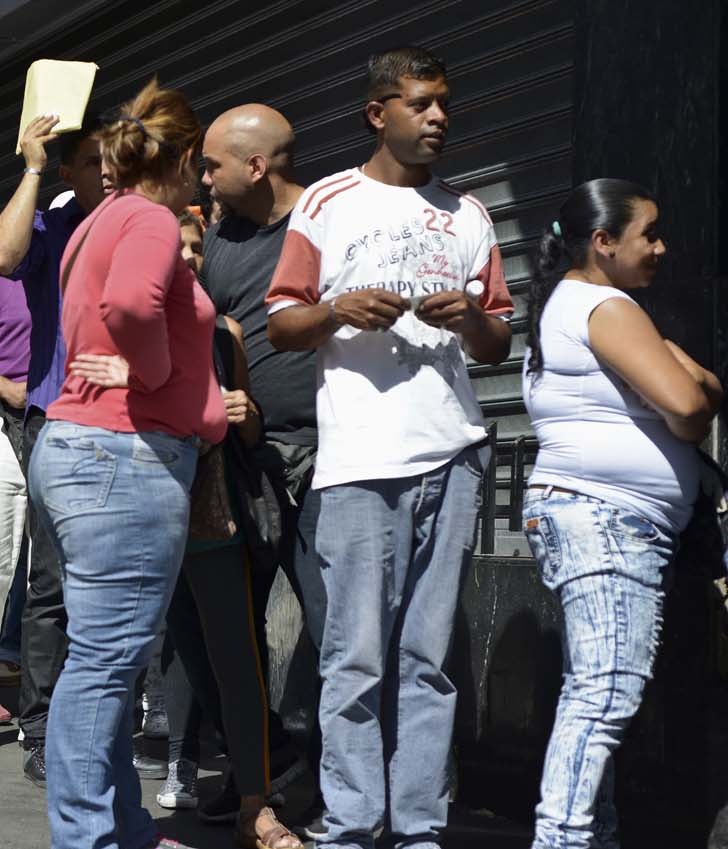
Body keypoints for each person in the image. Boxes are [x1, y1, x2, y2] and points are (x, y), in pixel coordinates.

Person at [266, 47, 515, 849]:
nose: (439, 117)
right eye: (421, 104)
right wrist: (339, 307)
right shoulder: (328, 203)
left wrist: (469, 318)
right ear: (379, 113)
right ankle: (350, 824)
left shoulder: (469, 214)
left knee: (427, 659)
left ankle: (417, 828)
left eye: (444, 103)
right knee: (356, 659)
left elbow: (497, 340)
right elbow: (281, 322)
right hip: (358, 464)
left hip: (452, 453)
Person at [25, 78, 226, 849]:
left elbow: (111, 314)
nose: (203, 178)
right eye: (199, 162)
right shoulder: (148, 218)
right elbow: (134, 309)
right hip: (121, 457)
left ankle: (124, 829)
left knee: (98, 658)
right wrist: (154, 376)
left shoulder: (99, 220)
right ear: (176, 156)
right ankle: (87, 837)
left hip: (82, 452)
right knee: (106, 666)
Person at [521, 180, 720, 848]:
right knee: (603, 695)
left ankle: (588, 835)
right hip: (606, 520)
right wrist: (685, 375)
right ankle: (565, 840)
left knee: (596, 692)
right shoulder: (606, 304)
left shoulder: (573, 304)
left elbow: (702, 389)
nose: (662, 247)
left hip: (596, 519)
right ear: (604, 243)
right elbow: (692, 409)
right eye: (650, 234)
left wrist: (687, 375)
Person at [0, 111, 107, 774]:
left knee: (59, 580)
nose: (109, 170)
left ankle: (70, 720)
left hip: (85, 423)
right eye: (92, 160)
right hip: (11, 425)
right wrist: (4, 390)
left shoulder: (128, 227)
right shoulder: (27, 242)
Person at [196, 103, 324, 830]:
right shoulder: (222, 237)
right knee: (223, 633)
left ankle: (335, 785)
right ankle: (259, 770)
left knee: (334, 626)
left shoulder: (323, 224)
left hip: (325, 453)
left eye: (214, 165)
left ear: (258, 165)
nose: (205, 179)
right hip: (242, 461)